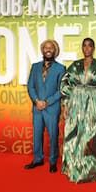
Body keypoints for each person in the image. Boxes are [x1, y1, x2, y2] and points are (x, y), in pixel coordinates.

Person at [60, 38, 96, 183]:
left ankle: (95, 168)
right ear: (82, 48)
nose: (87, 48)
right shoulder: (75, 65)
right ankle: (74, 166)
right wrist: (65, 104)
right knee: (75, 133)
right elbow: (66, 83)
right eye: (84, 45)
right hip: (76, 102)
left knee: (93, 133)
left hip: (93, 103)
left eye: (90, 45)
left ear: (93, 48)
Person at [25, 39, 66, 173]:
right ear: (42, 50)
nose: (48, 50)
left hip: (52, 108)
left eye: (51, 48)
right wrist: (37, 101)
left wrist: (47, 102)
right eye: (46, 48)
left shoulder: (60, 68)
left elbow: (61, 90)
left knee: (53, 135)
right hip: (37, 107)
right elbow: (30, 86)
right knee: (37, 134)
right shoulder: (35, 66)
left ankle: (53, 161)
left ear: (55, 51)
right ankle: (38, 159)